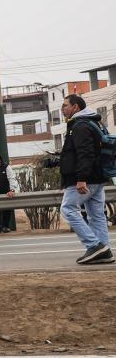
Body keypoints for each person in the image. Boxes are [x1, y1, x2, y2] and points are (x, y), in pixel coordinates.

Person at [58, 94, 111, 265]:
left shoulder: (80, 125)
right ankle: (104, 250)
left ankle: (94, 245)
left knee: (68, 209)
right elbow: (80, 152)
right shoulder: (93, 122)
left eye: (65, 105)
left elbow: (85, 153)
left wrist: (81, 178)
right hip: (98, 177)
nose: (62, 109)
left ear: (76, 107)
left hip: (83, 179)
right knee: (96, 215)